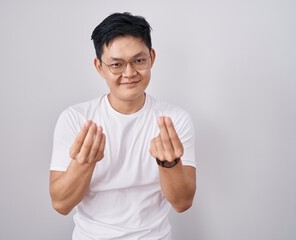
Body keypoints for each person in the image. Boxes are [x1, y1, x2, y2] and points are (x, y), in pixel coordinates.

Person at [49, 12, 196, 240]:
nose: (129, 73)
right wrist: (84, 163)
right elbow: (61, 204)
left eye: (139, 61)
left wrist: (169, 164)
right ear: (99, 67)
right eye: (116, 64)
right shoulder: (76, 119)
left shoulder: (174, 120)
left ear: (152, 58)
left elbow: (182, 203)